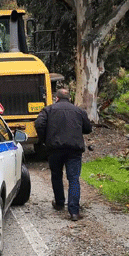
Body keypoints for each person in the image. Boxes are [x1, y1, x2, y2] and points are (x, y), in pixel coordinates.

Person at [34, 88, 92, 221]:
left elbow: (39, 123)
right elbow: (88, 128)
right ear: (69, 99)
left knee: (56, 175)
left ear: (57, 98)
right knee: (73, 179)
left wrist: (44, 139)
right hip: (74, 149)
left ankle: (59, 203)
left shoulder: (48, 110)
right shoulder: (79, 111)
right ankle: (74, 211)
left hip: (55, 148)